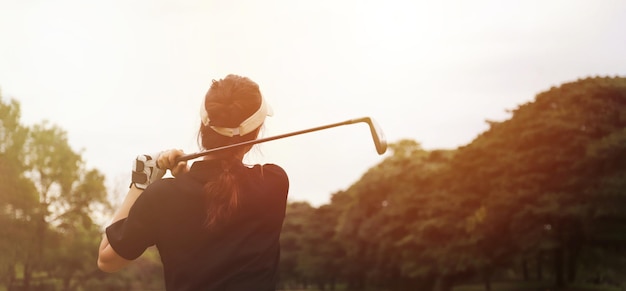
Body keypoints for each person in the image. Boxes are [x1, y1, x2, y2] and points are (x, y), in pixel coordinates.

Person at [97, 74, 290, 291]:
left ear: (203, 127)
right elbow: (217, 198)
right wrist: (184, 179)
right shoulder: (274, 182)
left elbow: (107, 259)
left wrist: (141, 183)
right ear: (256, 135)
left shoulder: (163, 197)